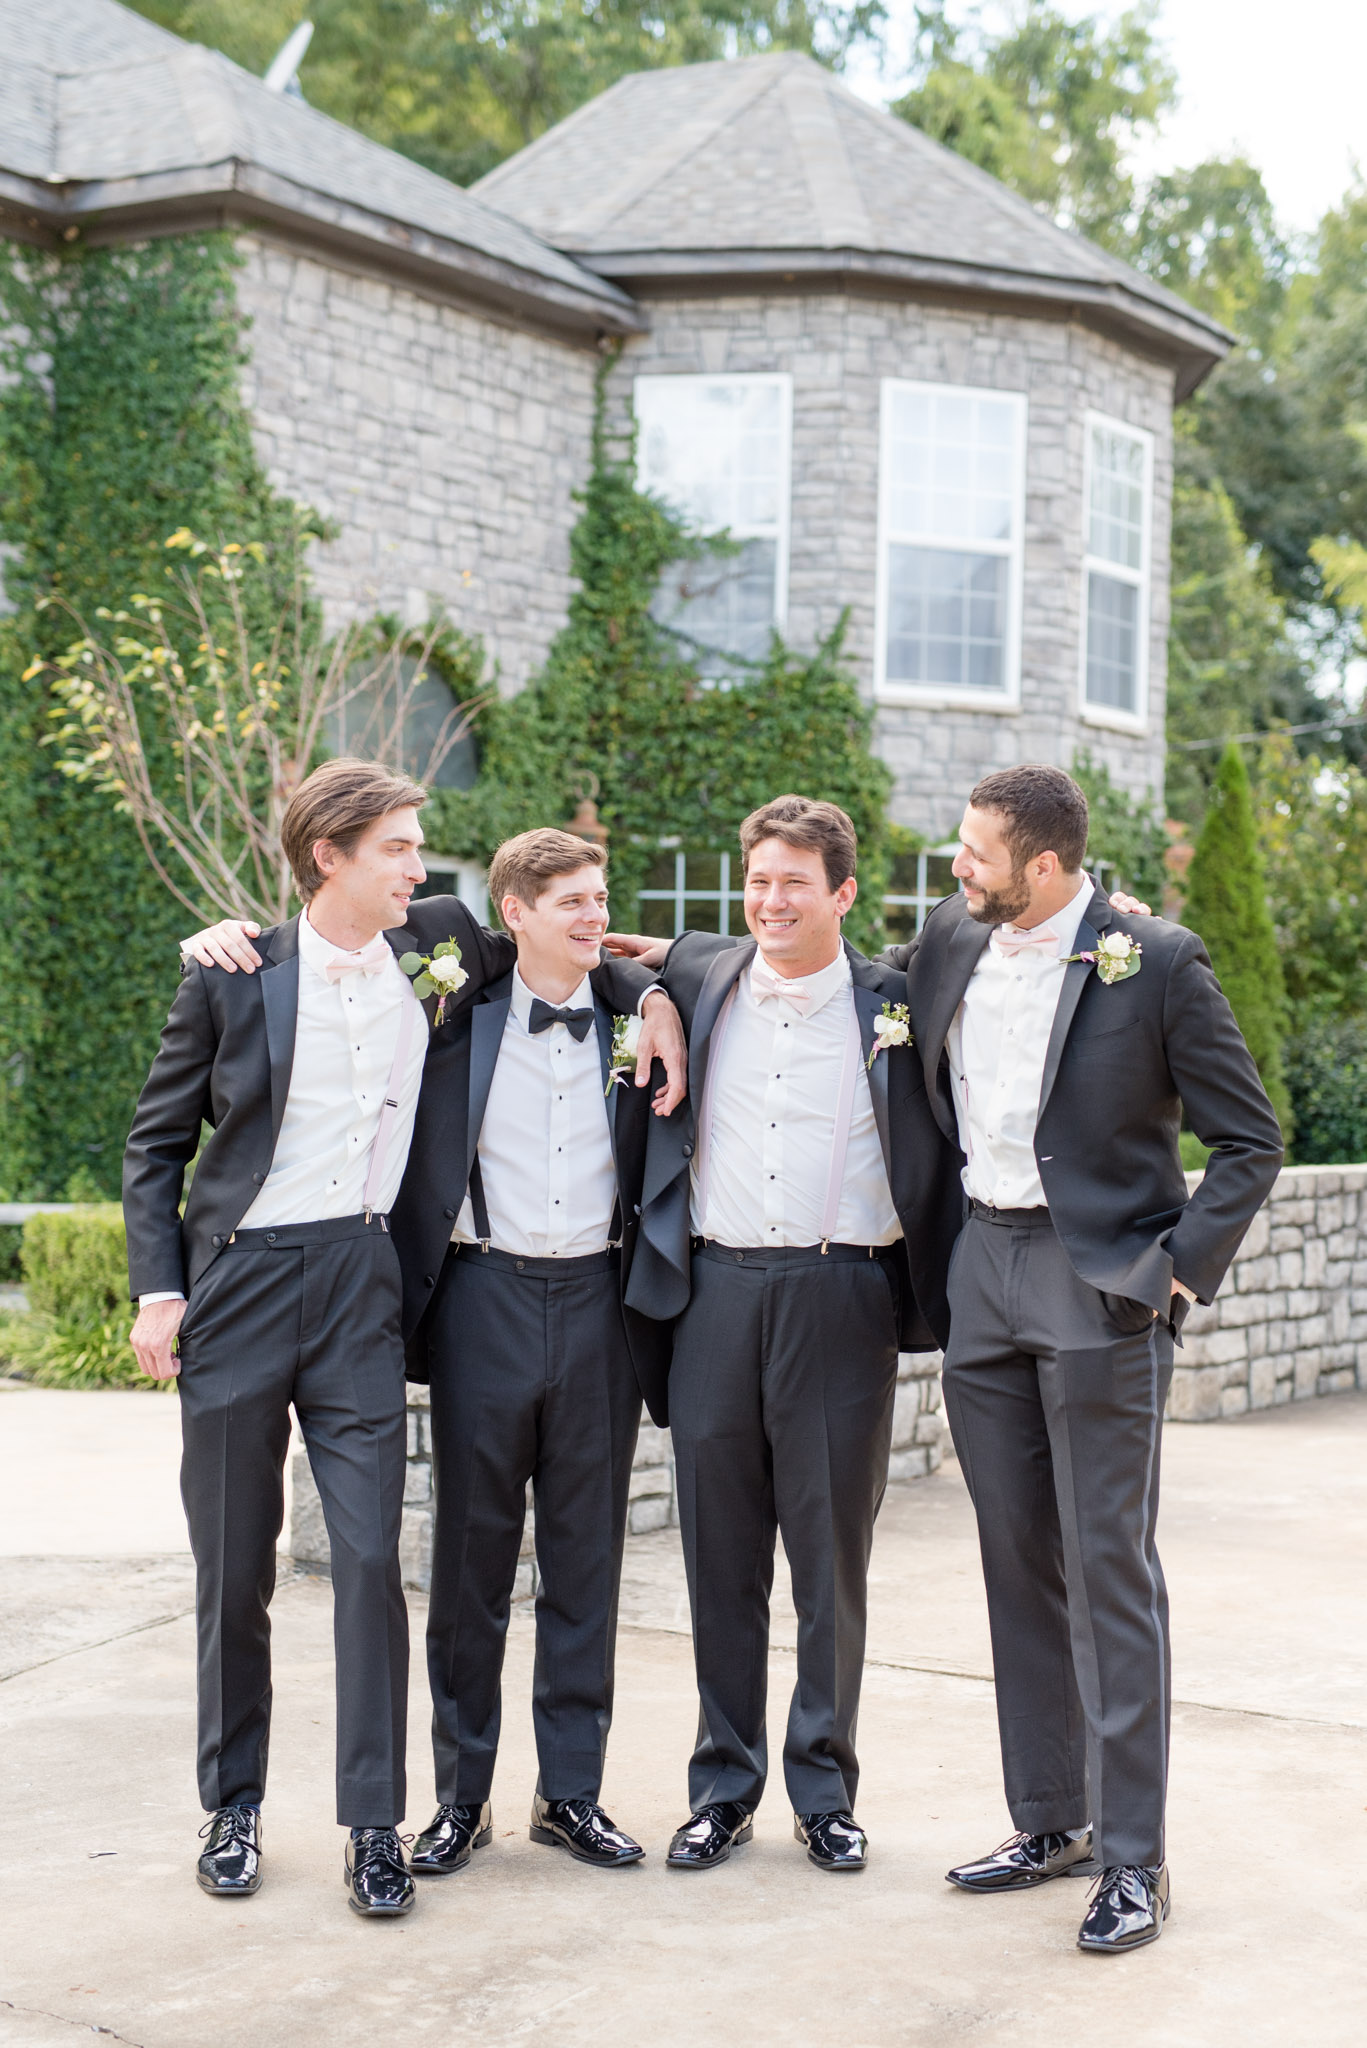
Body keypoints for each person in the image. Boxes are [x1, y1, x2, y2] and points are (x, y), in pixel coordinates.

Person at [130, 762, 682, 1916]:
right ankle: (231, 1804)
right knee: (234, 1569)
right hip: (236, 1283)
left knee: (375, 1561)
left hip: (363, 1281)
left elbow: (573, 945)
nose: (421, 867)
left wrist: (655, 990)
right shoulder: (234, 977)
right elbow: (156, 1143)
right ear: (329, 854)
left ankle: (372, 1824)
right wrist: (158, 1288)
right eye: (396, 846)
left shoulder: (435, 943)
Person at [882, 764, 1283, 1953]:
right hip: (979, 1274)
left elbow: (1249, 1138)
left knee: (1109, 1570)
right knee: (1015, 1561)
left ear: (1044, 865)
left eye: (975, 851)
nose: (956, 866)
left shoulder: (1151, 960)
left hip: (1094, 1281)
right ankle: (1047, 1819)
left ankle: (1132, 1859)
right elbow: (865, 1005)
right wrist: (650, 987)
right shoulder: (951, 938)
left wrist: (1172, 1268)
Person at [609, 795, 962, 1874]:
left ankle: (823, 1789)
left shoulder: (894, 1000)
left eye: (791, 883)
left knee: (828, 1560)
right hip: (712, 1292)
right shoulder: (706, 980)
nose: (768, 900)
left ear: (842, 894)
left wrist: (1117, 916)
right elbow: (602, 954)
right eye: (756, 880)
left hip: (839, 1297)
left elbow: (1003, 945)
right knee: (718, 1556)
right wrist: (655, 994)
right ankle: (721, 1787)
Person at [388, 828, 683, 1877]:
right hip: (481, 1297)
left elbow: (699, 955)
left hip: (600, 1302)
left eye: (601, 899)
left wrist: (639, 987)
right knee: (468, 1566)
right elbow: (353, 921)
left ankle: (570, 1794)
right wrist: (225, 935)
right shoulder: (451, 1005)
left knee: (584, 1563)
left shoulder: (635, 1010)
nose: (594, 916)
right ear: (512, 911)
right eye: (570, 901)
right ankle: (458, 1800)